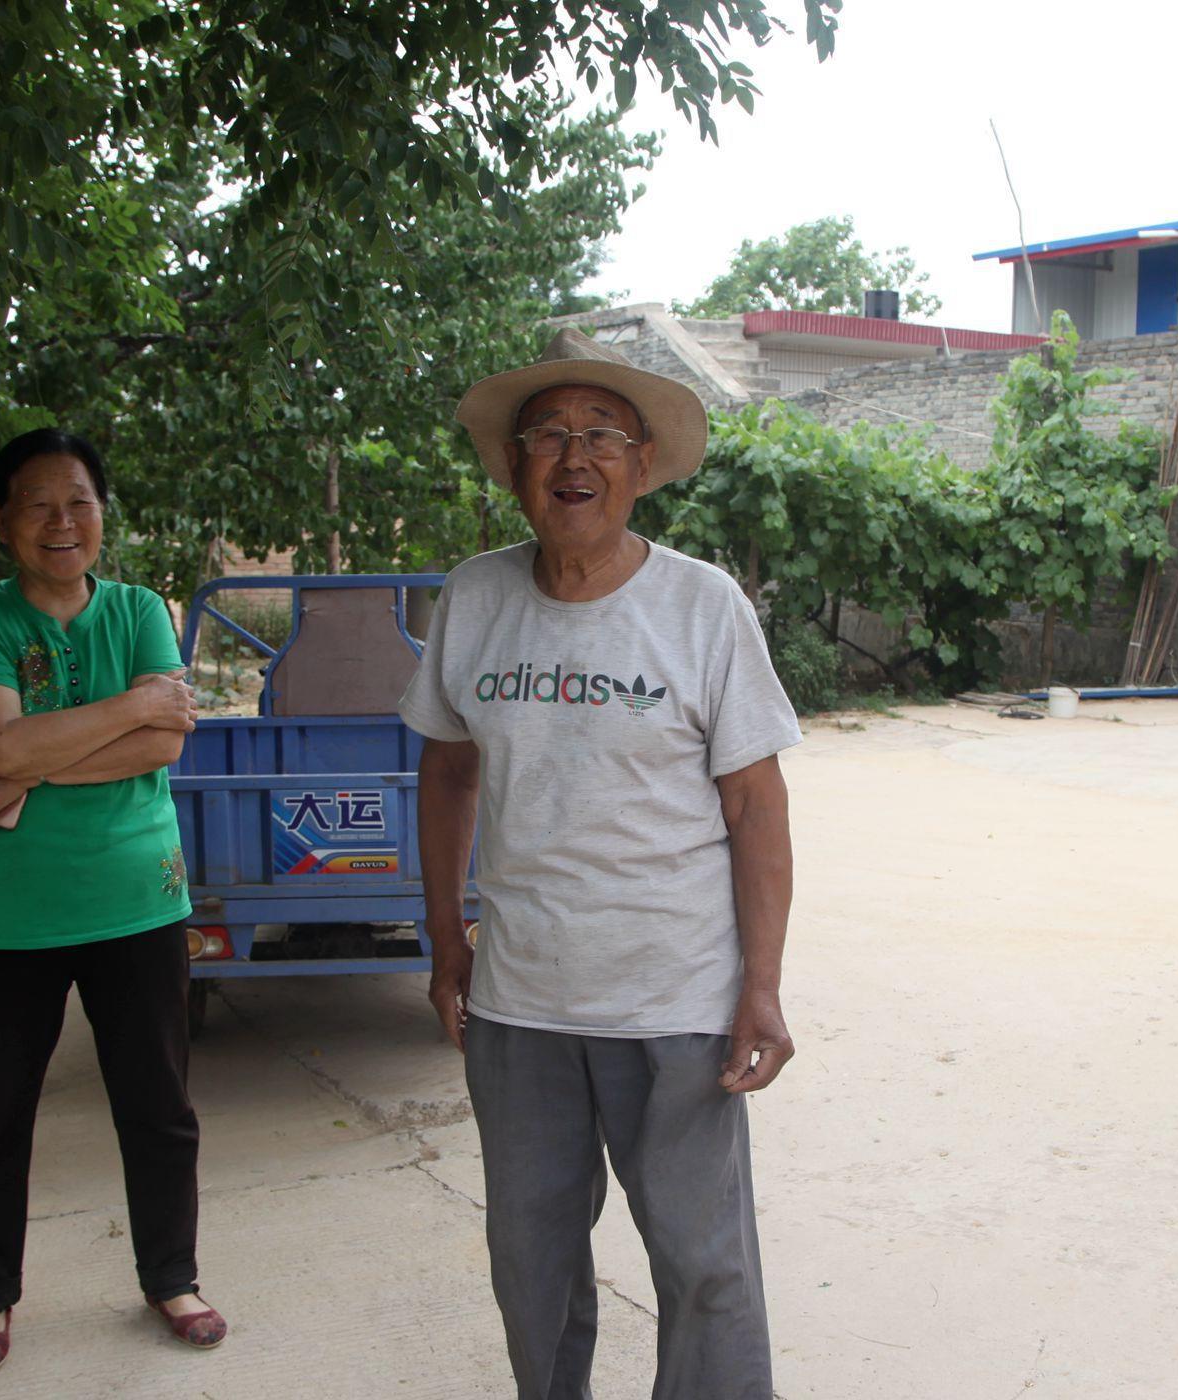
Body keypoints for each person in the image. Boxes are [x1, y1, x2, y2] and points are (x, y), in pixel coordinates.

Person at [402, 331, 803, 1399]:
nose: (572, 457)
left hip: (676, 1000)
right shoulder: (475, 598)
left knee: (704, 1264)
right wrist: (447, 942)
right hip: (523, 1001)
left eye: (600, 436)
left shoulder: (702, 605)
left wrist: (760, 983)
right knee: (529, 1263)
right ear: (516, 466)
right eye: (547, 436)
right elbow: (446, 776)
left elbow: (757, 804)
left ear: (640, 464)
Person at [0, 427, 228, 1374]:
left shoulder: (139, 607)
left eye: (80, 502)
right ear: (4, 520)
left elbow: (164, 745)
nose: (63, 522)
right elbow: (2, 745)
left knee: (158, 1107)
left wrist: (22, 767)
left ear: (102, 512)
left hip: (136, 900)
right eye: (38, 504)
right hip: (4, 915)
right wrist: (122, 712)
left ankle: (171, 1278)